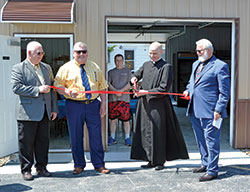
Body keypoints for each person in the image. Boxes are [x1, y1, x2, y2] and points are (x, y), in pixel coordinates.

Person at [130, 41, 189, 171]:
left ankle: (159, 161)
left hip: (159, 105)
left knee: (158, 132)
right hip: (145, 104)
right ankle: (150, 159)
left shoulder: (166, 67)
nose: (152, 56)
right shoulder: (146, 65)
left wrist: (146, 92)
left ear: (161, 52)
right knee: (145, 131)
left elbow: (164, 88)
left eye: (155, 53)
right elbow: (136, 74)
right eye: (150, 53)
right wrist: (133, 79)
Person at [54, 42, 110, 175]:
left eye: (84, 51)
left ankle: (99, 164)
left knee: (96, 136)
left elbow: (102, 86)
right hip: (74, 105)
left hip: (92, 105)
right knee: (76, 136)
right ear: (73, 53)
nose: (81, 54)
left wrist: (103, 104)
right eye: (78, 52)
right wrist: (66, 92)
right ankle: (78, 164)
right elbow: (57, 86)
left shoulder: (94, 66)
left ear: (87, 53)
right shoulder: (65, 68)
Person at [183, 39, 230, 182]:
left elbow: (224, 92)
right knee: (201, 140)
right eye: (196, 50)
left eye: (200, 51)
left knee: (211, 141)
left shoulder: (220, 66)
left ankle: (212, 170)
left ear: (209, 50)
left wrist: (218, 109)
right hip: (195, 109)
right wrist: (187, 90)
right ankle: (205, 163)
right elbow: (192, 82)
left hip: (212, 112)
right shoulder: (196, 64)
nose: (197, 53)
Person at [11, 41, 58, 181]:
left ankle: (42, 167)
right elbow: (16, 87)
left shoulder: (47, 68)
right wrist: (37, 90)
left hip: (45, 111)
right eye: (39, 53)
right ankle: (26, 169)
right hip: (27, 112)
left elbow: (52, 89)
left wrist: (54, 108)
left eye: (42, 53)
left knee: (43, 141)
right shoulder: (18, 68)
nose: (41, 55)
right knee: (26, 143)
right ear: (29, 53)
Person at [108, 54, 132, 146]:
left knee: (126, 120)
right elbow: (108, 84)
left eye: (120, 60)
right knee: (113, 120)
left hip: (124, 100)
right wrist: (115, 91)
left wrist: (121, 91)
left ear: (123, 61)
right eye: (117, 60)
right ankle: (112, 138)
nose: (119, 62)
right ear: (114, 61)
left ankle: (127, 138)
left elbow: (130, 84)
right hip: (113, 100)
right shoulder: (110, 72)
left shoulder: (128, 72)